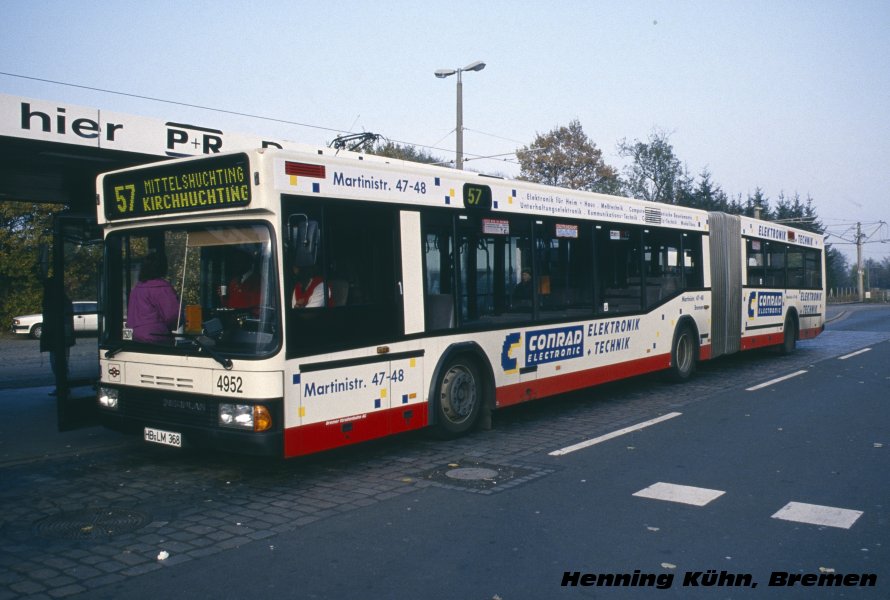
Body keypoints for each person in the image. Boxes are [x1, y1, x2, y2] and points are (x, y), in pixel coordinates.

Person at [127, 252, 180, 344]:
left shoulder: (137, 288)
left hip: (134, 337)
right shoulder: (162, 288)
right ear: (162, 267)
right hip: (157, 338)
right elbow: (173, 316)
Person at [40, 276, 74, 395]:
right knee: (59, 362)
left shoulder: (57, 301)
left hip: (59, 337)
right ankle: (63, 386)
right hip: (60, 337)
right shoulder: (61, 300)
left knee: (58, 363)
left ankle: (63, 387)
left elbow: (66, 321)